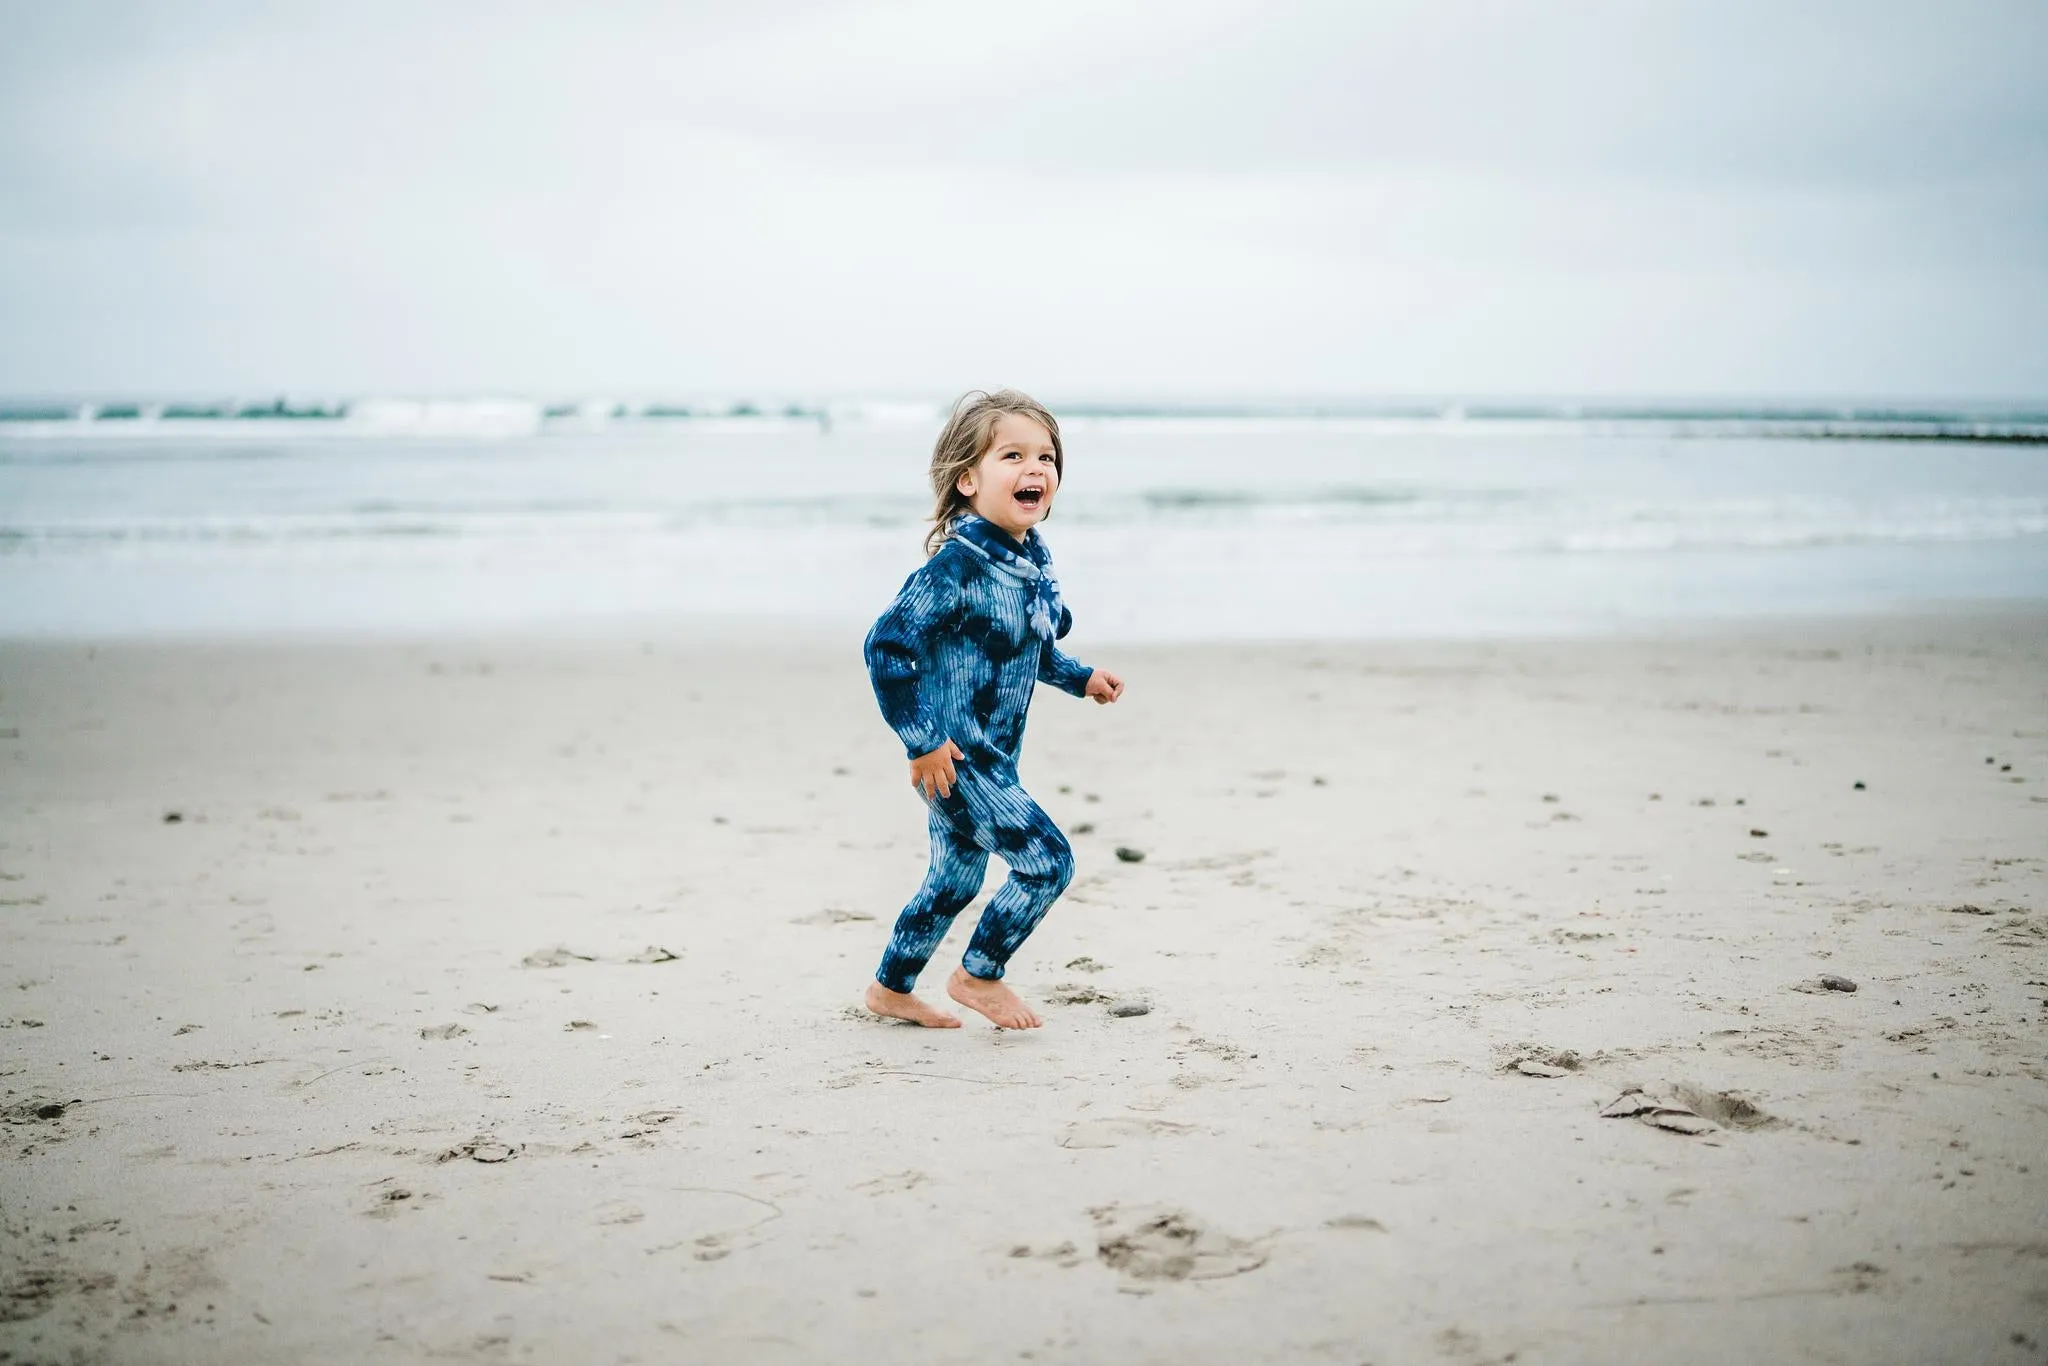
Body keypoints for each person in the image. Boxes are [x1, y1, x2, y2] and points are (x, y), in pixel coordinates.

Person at [861, 389, 1124, 1029]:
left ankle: (891, 988)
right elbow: (887, 646)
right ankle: (979, 973)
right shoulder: (957, 565)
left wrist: (1079, 676)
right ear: (968, 480)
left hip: (992, 756)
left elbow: (1028, 648)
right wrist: (920, 741)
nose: (1035, 468)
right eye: (1013, 455)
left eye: (1046, 457)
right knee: (1047, 862)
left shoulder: (1030, 560)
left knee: (954, 880)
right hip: (955, 756)